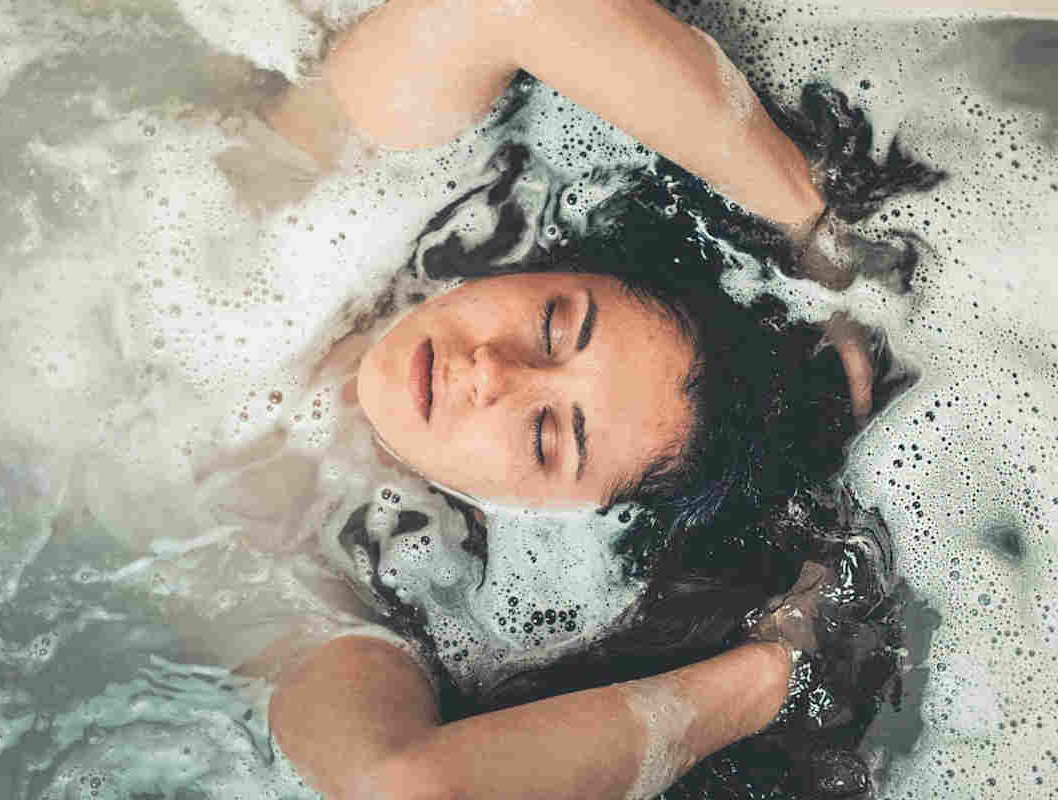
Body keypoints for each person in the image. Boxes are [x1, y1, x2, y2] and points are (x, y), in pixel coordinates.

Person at [222, 1, 941, 797]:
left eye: (543, 438)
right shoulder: (294, 192)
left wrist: (772, 671)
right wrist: (815, 226)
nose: (492, 371)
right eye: (555, 324)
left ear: (535, 521)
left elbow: (405, 786)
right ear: (548, 261)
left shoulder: (302, 590)